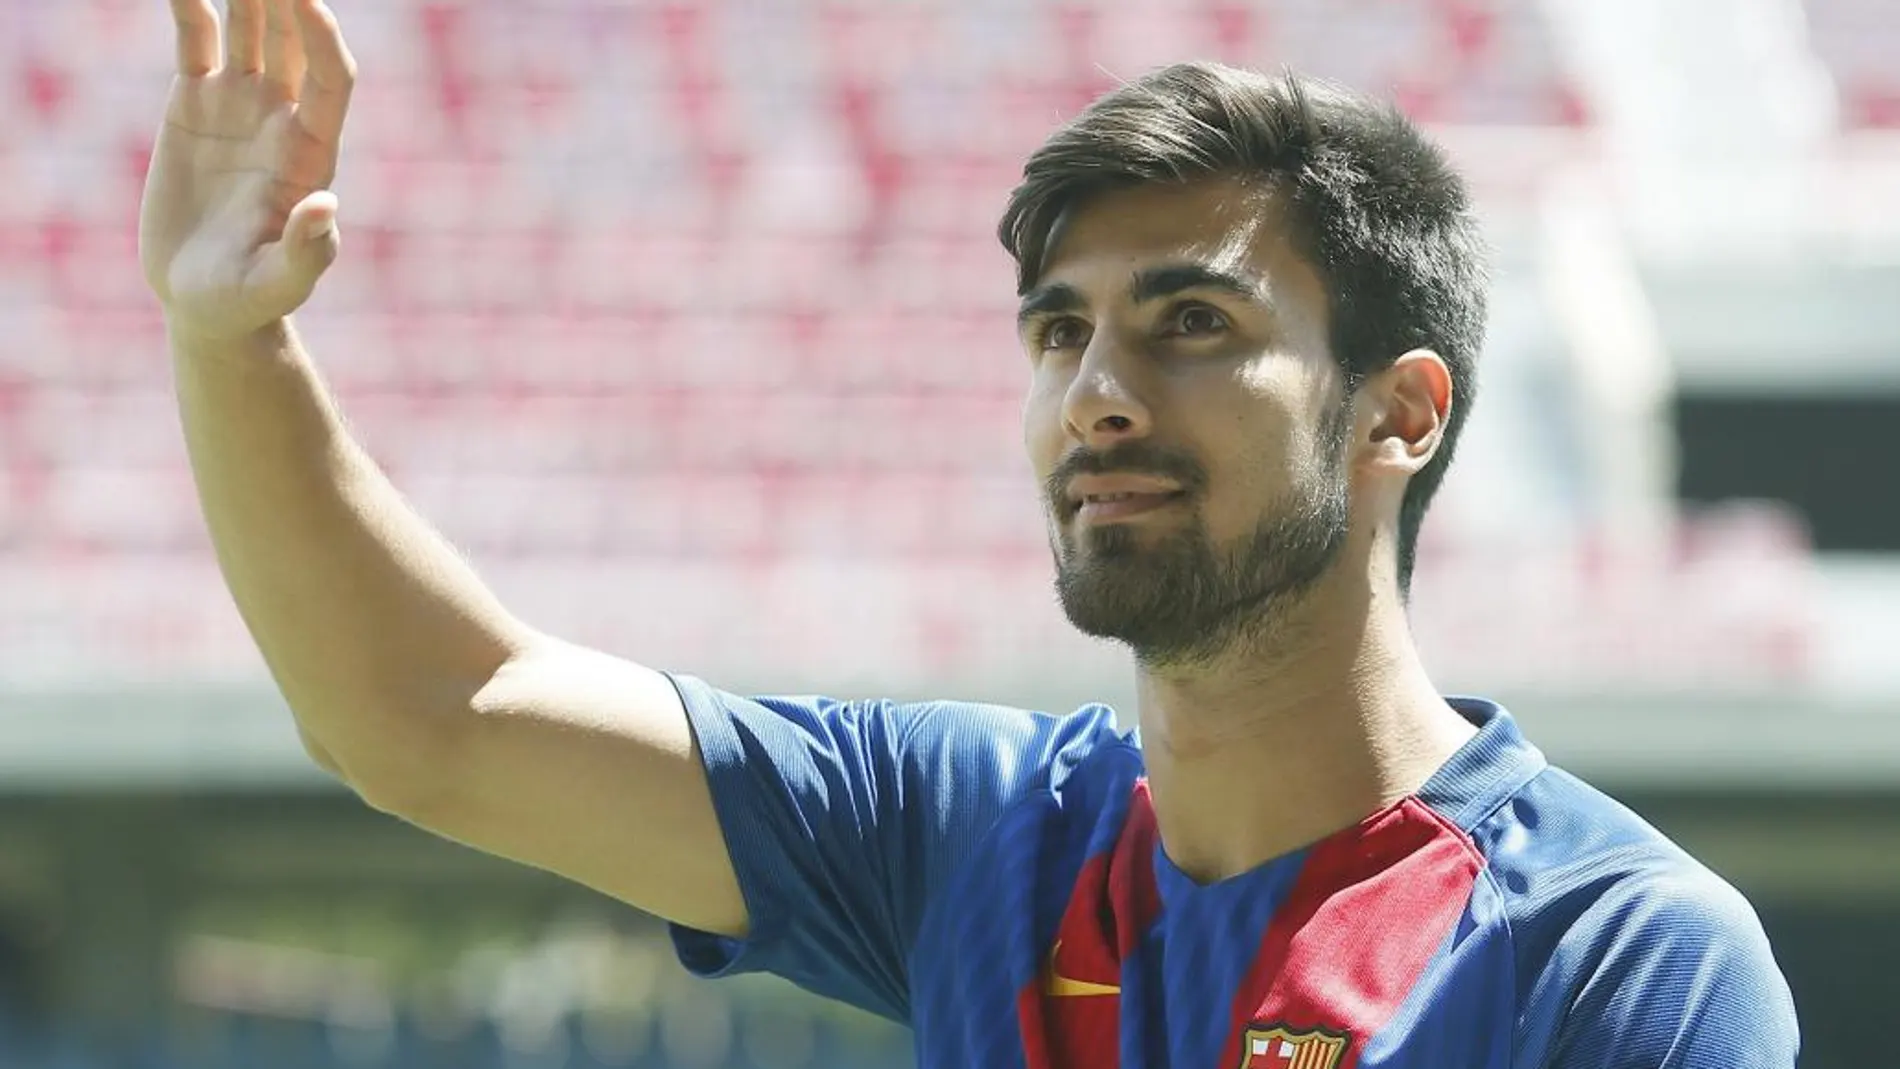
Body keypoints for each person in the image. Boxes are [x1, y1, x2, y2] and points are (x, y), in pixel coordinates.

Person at [141, 1, 1798, 1066]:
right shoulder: (972, 833)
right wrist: (232, 341)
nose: (1097, 393)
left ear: (1400, 412)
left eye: (1193, 325)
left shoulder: (1619, 954)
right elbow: (436, 720)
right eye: (1057, 331)